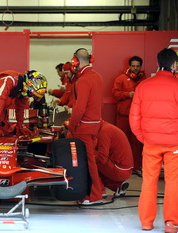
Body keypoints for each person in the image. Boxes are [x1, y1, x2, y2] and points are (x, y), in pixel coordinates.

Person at [129, 48, 178, 233]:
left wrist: (144, 138)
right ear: (175, 65)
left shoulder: (143, 86)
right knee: (173, 181)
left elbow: (134, 118)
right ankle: (171, 223)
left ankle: (146, 223)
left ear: (158, 64)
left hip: (150, 142)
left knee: (149, 182)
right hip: (175, 143)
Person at [65, 48, 104, 205]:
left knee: (88, 162)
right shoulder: (97, 77)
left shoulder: (83, 80)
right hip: (94, 125)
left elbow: (79, 109)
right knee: (91, 160)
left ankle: (94, 195)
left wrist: (71, 126)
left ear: (76, 61)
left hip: (84, 127)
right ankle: (99, 190)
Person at [112, 56, 146, 176]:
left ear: (140, 66)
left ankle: (137, 167)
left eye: (137, 66)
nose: (135, 68)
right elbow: (115, 93)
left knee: (137, 143)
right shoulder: (121, 78)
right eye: (133, 66)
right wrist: (128, 94)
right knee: (122, 142)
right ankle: (123, 167)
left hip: (138, 116)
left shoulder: (144, 80)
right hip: (124, 116)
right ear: (129, 66)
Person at [96, 121, 133, 197]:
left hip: (120, 170)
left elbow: (102, 158)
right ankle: (118, 187)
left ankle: (99, 191)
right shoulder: (107, 128)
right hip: (125, 169)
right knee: (95, 160)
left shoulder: (104, 131)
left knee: (90, 161)